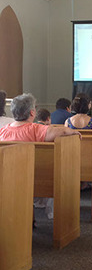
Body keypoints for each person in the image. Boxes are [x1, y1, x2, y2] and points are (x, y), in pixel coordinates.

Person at [0, 93, 81, 221]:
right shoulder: (36, 129)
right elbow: (62, 131)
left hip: (7, 178)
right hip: (33, 176)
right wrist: (73, 131)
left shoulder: (3, 131)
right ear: (32, 113)